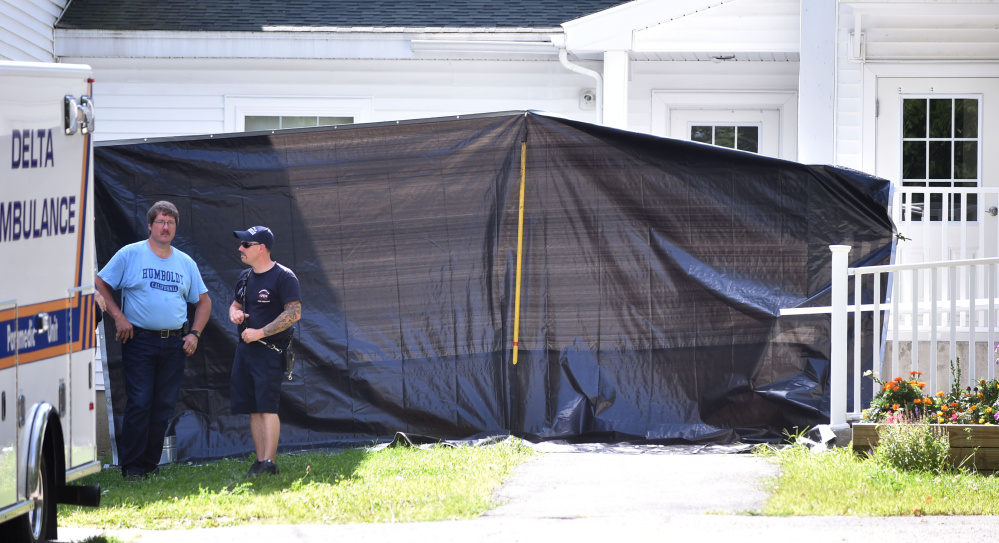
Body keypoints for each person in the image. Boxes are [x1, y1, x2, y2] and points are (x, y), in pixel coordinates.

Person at [95, 200, 211, 480]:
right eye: (160, 221)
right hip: (140, 340)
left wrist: (194, 334)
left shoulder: (185, 262)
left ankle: (150, 465)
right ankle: (132, 468)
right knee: (140, 402)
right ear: (149, 225)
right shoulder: (131, 254)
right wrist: (119, 317)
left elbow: (204, 302)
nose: (165, 227)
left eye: (170, 223)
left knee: (163, 407)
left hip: (174, 343)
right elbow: (101, 284)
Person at [229, 225, 301, 477]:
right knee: (253, 407)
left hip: (270, 351)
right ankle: (259, 462)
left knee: (267, 407)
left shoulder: (284, 276)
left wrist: (260, 333)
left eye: (245, 245)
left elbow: (294, 313)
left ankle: (270, 462)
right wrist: (235, 314)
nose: (240, 248)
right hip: (245, 351)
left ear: (261, 248)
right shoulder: (245, 277)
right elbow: (234, 305)